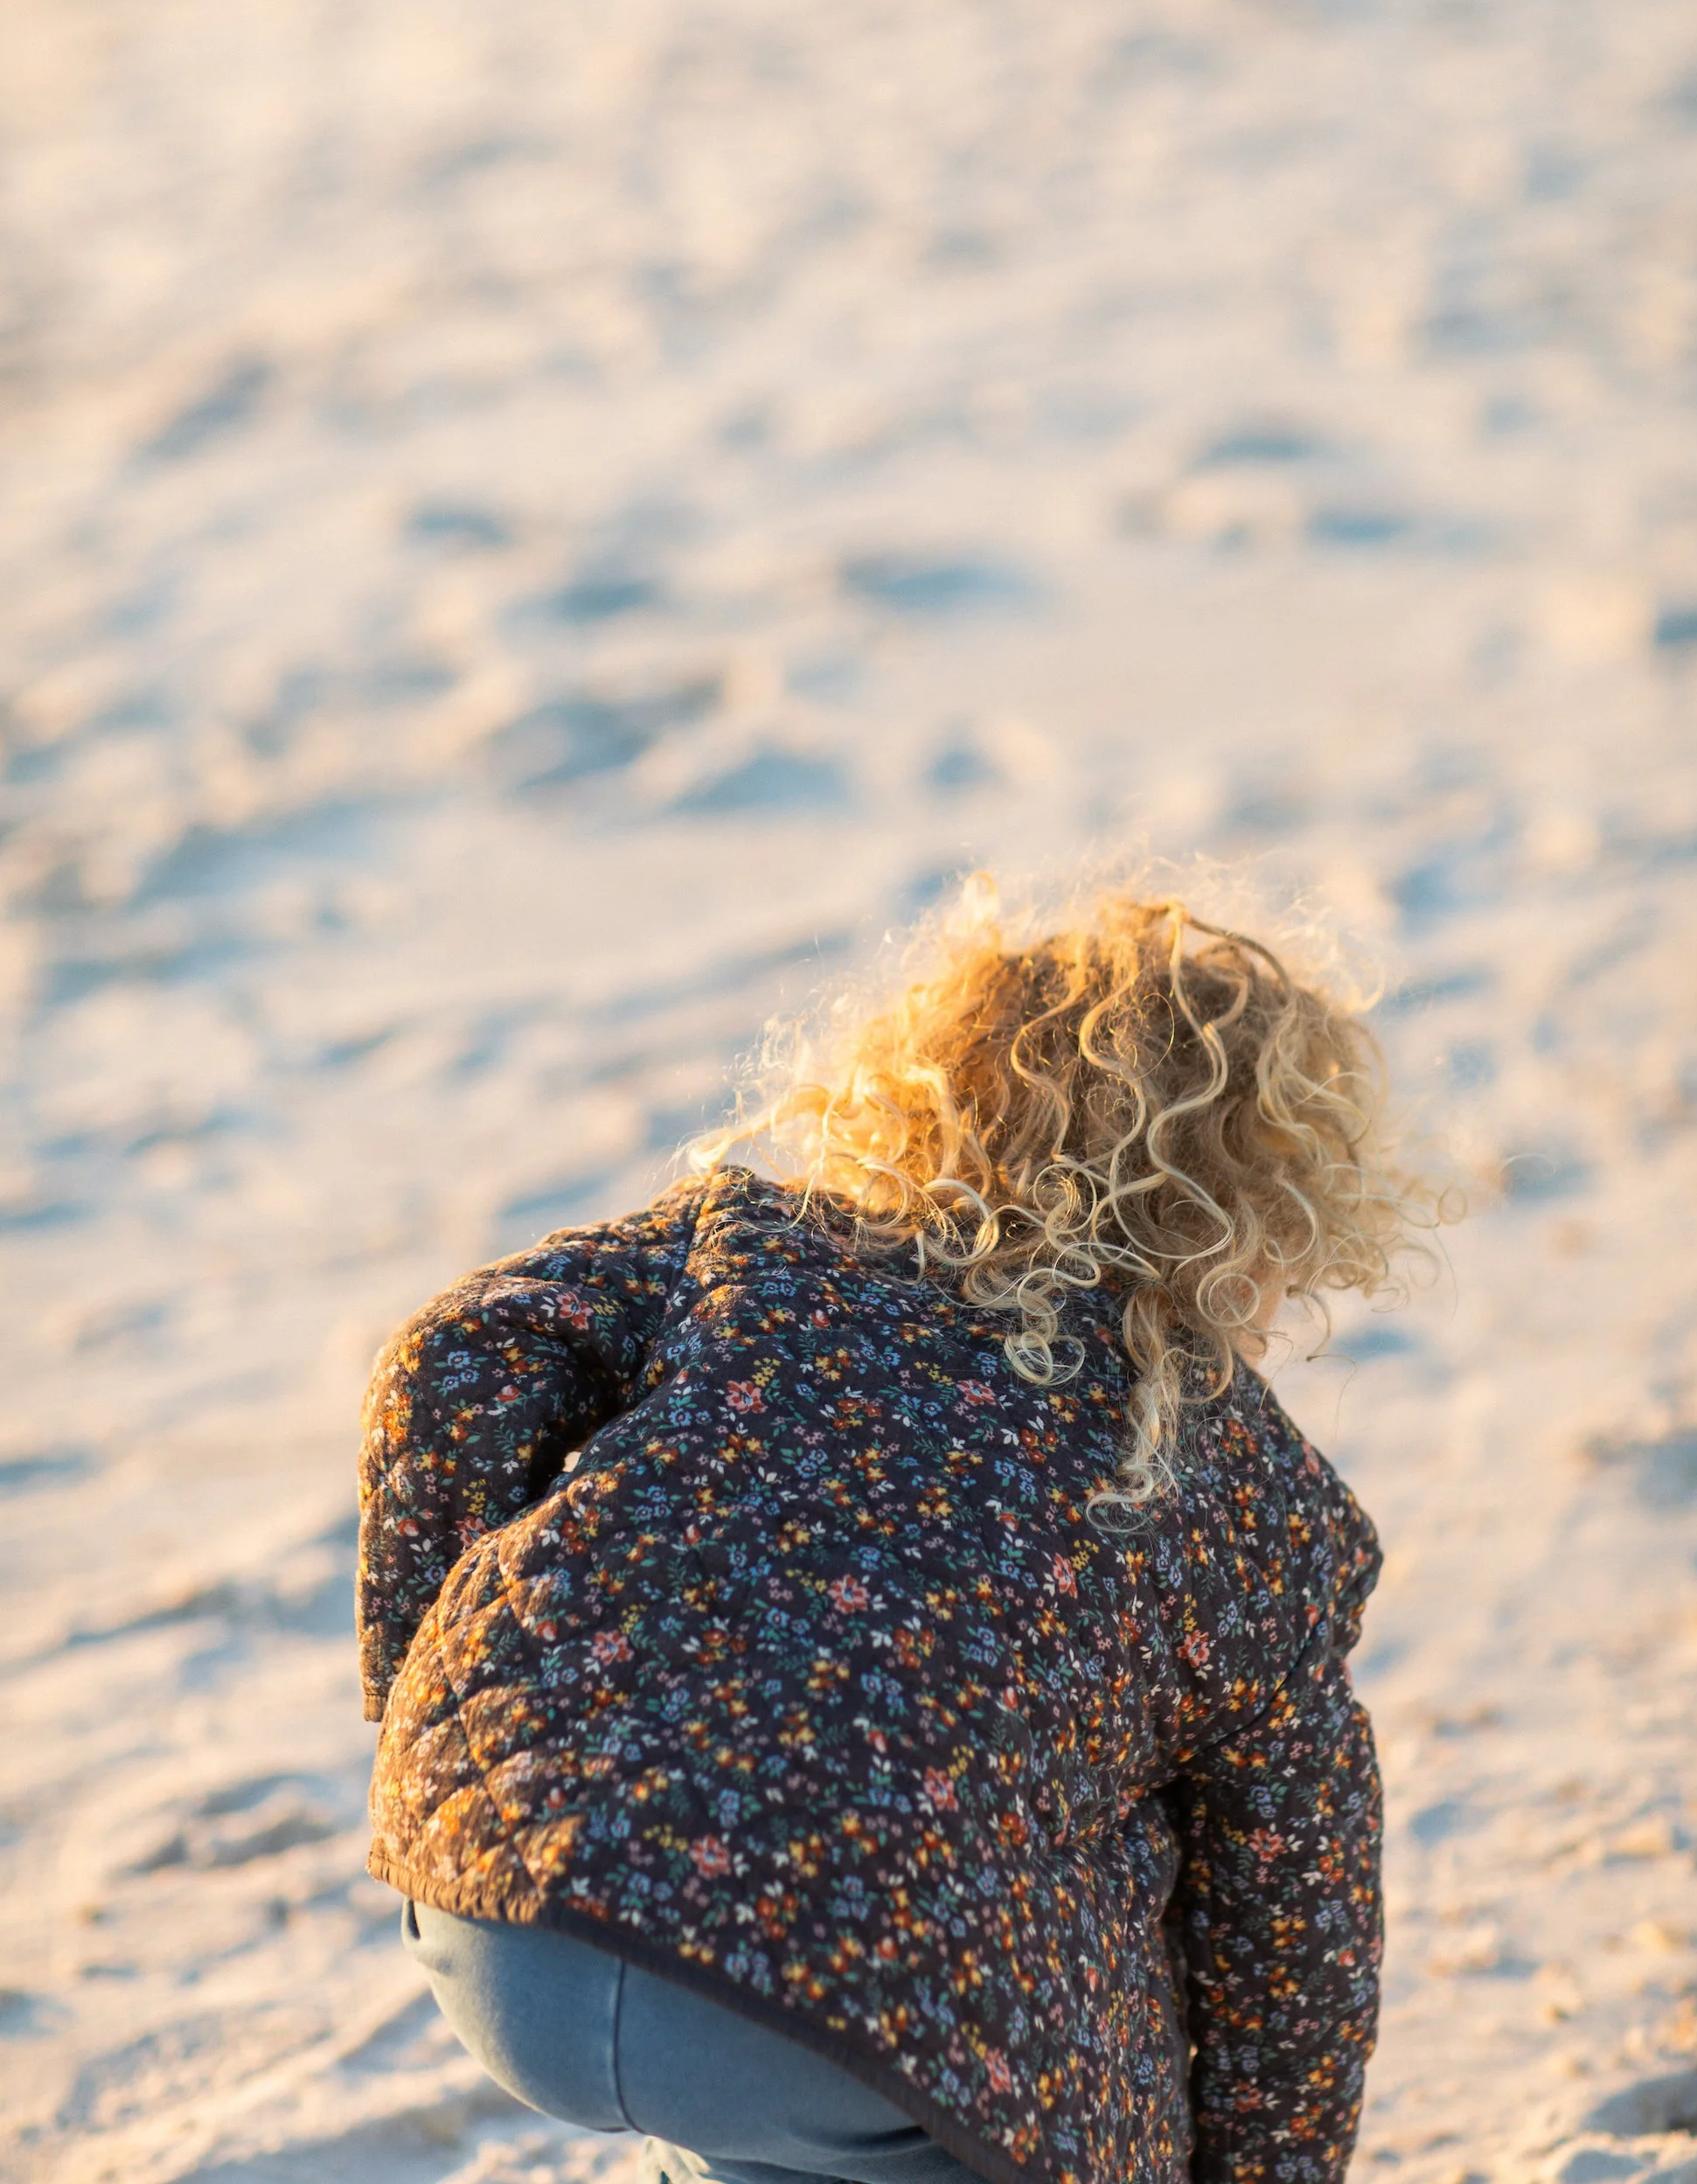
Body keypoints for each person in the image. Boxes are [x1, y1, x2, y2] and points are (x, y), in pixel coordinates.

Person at [358, 880, 1432, 2184]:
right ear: (1267, 1203)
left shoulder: (746, 1243)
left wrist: (443, 1702)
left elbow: (452, 1356)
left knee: (845, 1999)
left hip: (504, 1916)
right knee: (1038, 1933)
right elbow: (1291, 1927)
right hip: (833, 2014)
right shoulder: (1244, 1484)